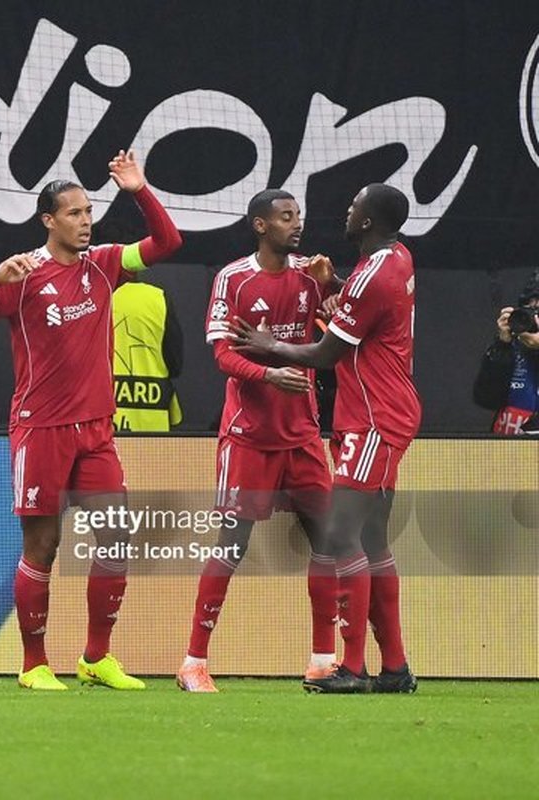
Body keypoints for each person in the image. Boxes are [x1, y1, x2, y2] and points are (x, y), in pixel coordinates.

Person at [0, 150, 183, 691]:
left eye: (88, 212)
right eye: (74, 213)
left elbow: (168, 243)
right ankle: (33, 664)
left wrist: (138, 190)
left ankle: (96, 657)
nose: (85, 221)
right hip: (41, 430)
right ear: (48, 220)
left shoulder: (106, 264)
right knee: (43, 547)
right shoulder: (25, 274)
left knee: (116, 539)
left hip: (96, 430)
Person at [230, 183, 421, 694]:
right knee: (371, 540)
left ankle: (353, 668)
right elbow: (361, 305)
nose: (347, 209)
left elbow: (323, 355)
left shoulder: (373, 276)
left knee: (339, 536)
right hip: (380, 413)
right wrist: (334, 282)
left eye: (354, 205)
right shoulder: (394, 257)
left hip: (375, 419)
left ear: (367, 221)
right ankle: (395, 668)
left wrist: (269, 344)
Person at [175, 189, 339, 693]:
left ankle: (323, 660)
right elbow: (223, 355)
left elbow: (337, 331)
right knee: (232, 546)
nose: (297, 224)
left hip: (303, 435)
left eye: (299, 215)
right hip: (248, 437)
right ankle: (193, 662)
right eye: (286, 217)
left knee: (328, 543)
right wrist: (269, 374)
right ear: (260, 225)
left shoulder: (310, 276)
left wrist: (332, 288)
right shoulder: (234, 278)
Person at [111, 281, 184, 431]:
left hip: (107, 419)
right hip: (154, 415)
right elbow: (175, 364)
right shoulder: (159, 297)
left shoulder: (98, 298)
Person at [473, 272, 539, 434]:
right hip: (506, 445)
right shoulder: (512, 346)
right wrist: (502, 345)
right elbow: (486, 399)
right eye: (533, 309)